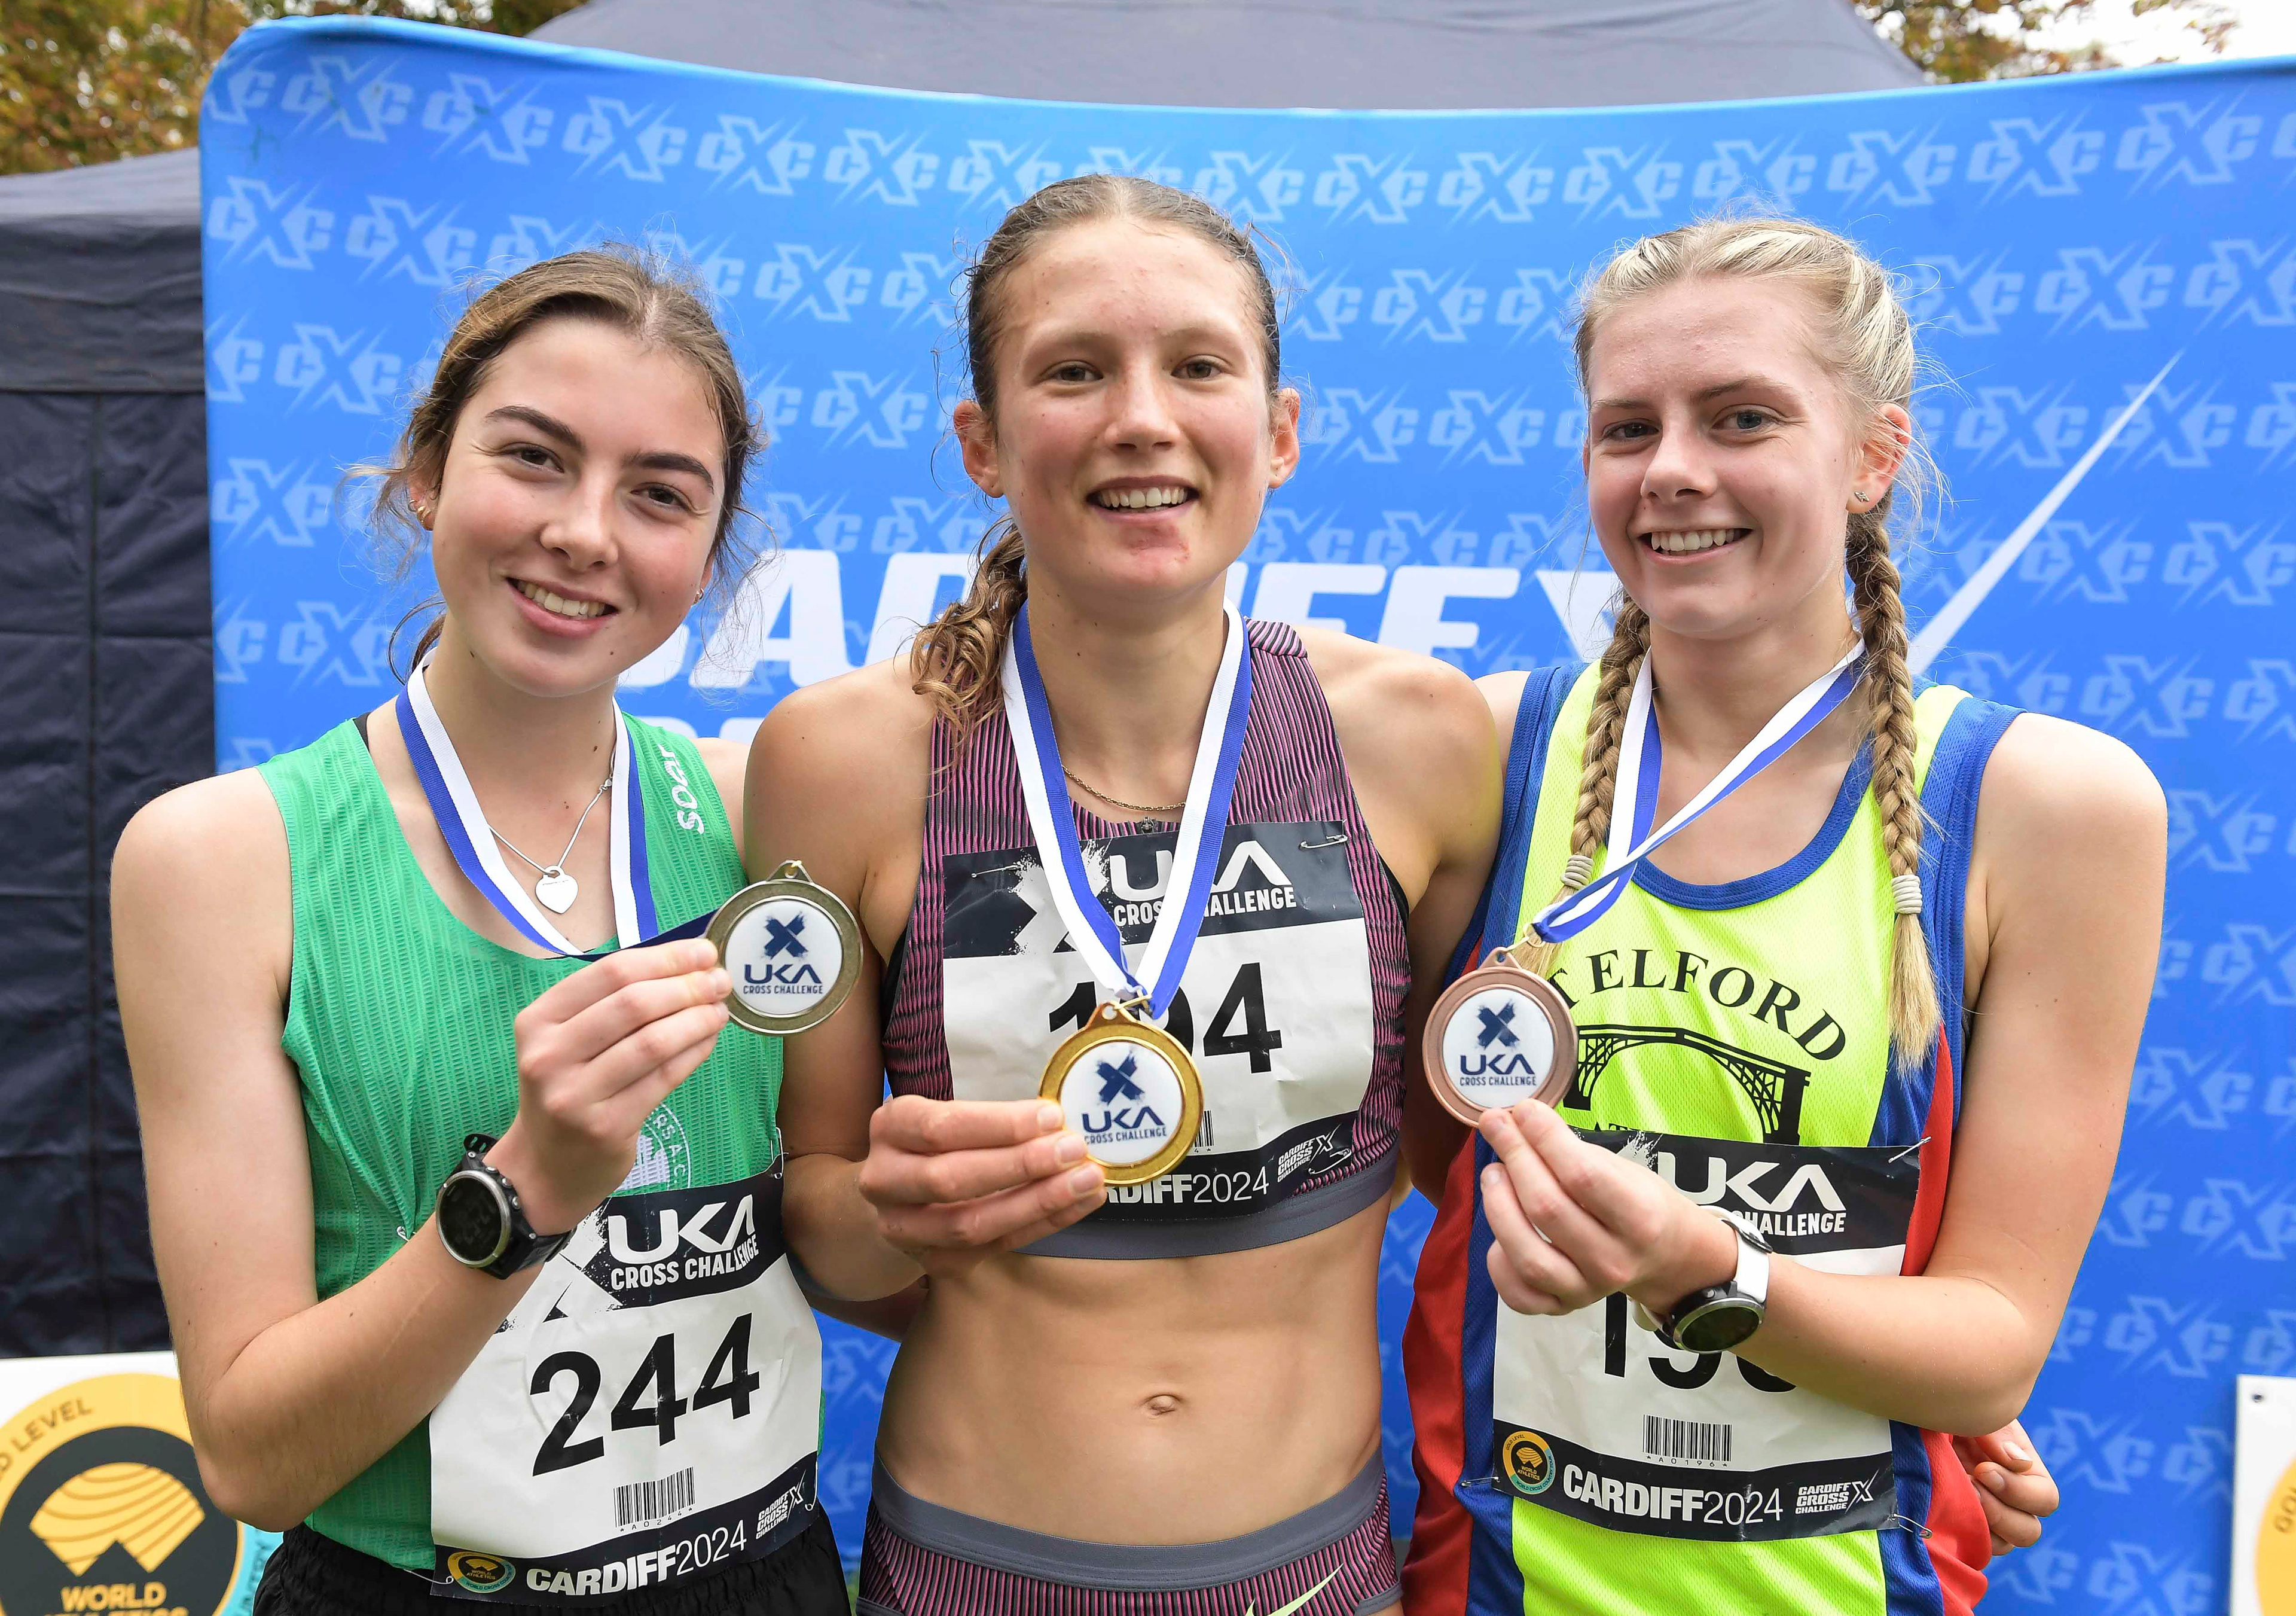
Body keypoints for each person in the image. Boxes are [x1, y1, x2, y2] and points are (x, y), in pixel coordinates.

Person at [746, 173, 1504, 1615]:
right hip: (970, 1573)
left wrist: (1879, 1394)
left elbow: (1480, 1170)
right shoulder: (842, 761)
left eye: (1199, 365)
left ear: (1280, 430)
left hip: (1316, 1572)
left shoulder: (1421, 742)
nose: (1141, 418)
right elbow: (825, 1224)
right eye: (1074, 370)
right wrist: (894, 1217)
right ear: (983, 442)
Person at [1402, 217, 2164, 1614]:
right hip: (1496, 1579)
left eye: (1743, 415)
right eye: (1626, 428)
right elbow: (1423, 1151)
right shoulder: (1481, 751)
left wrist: (1720, 1276)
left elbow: (1992, 1337)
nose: (1673, 469)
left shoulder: (2046, 806)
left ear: (1874, 455)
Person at [113, 249, 848, 1612]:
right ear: (425, 474)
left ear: (708, 551)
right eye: (535, 457)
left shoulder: (763, 813)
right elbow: (252, 1459)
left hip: (766, 1578)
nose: (586, 531)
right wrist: (521, 1195)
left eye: (659, 494)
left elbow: (840, 1218)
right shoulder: (219, 860)